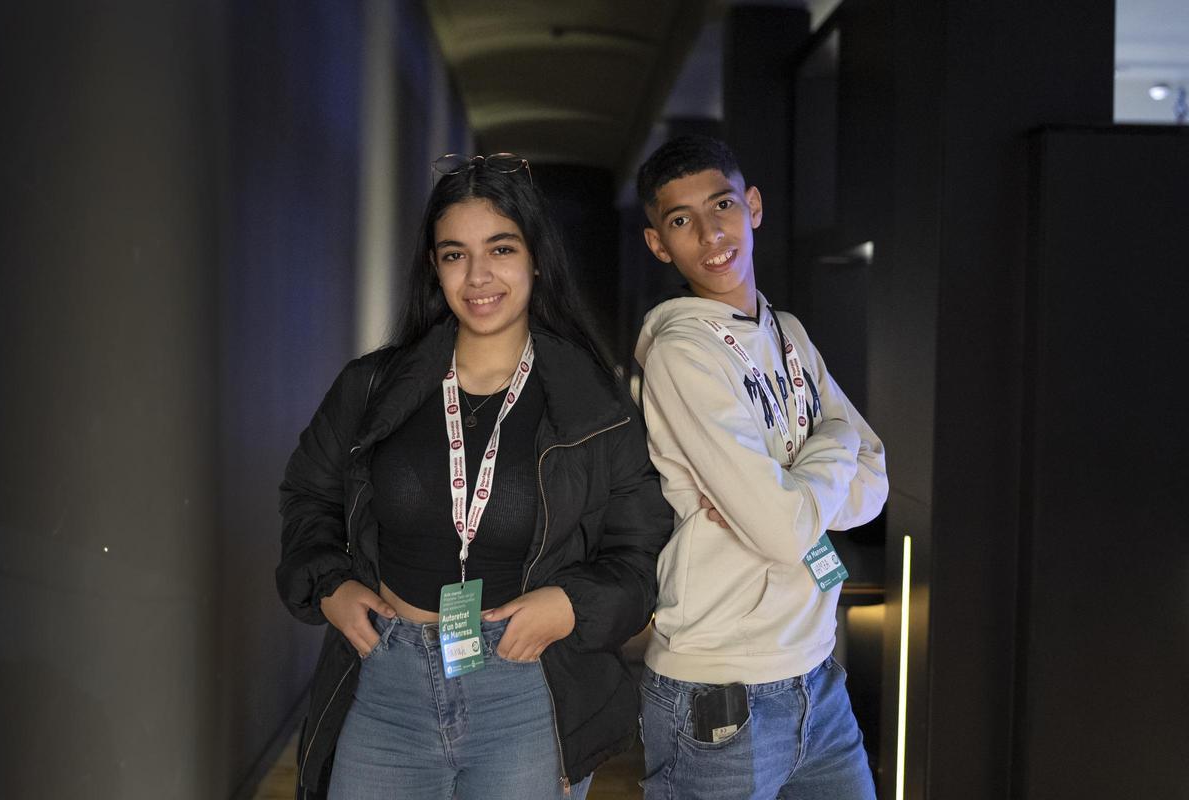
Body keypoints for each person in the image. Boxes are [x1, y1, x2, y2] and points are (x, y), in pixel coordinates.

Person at [276, 153, 671, 800]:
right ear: (434, 267)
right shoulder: (372, 388)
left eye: (501, 248)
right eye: (455, 254)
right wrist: (329, 585)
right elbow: (308, 494)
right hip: (386, 678)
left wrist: (572, 605)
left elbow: (644, 546)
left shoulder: (591, 406)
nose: (479, 275)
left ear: (536, 259)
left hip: (523, 686)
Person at [632, 134, 888, 799]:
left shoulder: (789, 333)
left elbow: (876, 480)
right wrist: (829, 447)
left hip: (816, 676)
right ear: (659, 244)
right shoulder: (681, 353)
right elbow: (783, 534)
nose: (710, 233)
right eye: (681, 221)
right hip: (719, 691)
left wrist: (791, 493)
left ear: (752, 205)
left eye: (721, 205)